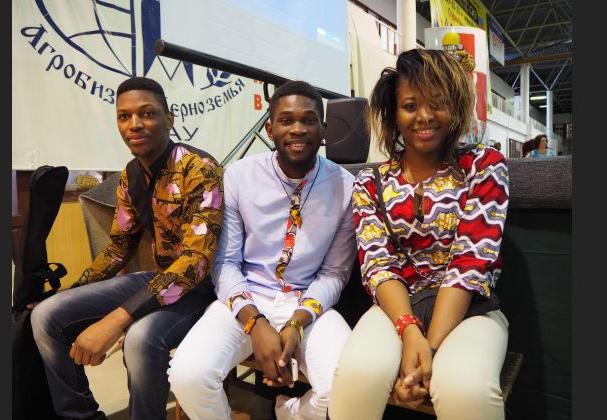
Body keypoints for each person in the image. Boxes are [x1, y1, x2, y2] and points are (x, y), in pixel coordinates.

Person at [328, 49, 510, 420]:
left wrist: (427, 351)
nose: (424, 116)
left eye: (437, 104)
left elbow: (471, 262)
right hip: (396, 309)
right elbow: (378, 264)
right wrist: (409, 330)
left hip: (471, 308)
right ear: (394, 113)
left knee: (466, 388)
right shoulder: (371, 181)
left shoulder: (483, 166)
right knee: (358, 375)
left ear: (455, 108)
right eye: (410, 106)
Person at [30, 77, 224, 420]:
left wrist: (116, 320)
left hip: (205, 286)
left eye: (146, 113)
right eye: (124, 116)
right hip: (160, 278)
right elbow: (117, 249)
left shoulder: (199, 169)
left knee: (139, 336)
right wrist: (72, 291)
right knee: (47, 315)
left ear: (169, 119)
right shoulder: (130, 176)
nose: (134, 124)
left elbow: (195, 262)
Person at [168, 80, 357, 420]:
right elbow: (225, 263)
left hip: (308, 303)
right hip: (246, 298)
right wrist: (255, 323)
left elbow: (334, 274)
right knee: (188, 375)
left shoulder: (346, 186)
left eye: (308, 120)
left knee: (347, 387)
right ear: (270, 129)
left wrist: (297, 322)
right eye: (286, 120)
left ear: (324, 130)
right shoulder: (239, 176)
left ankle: (291, 413)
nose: (297, 129)